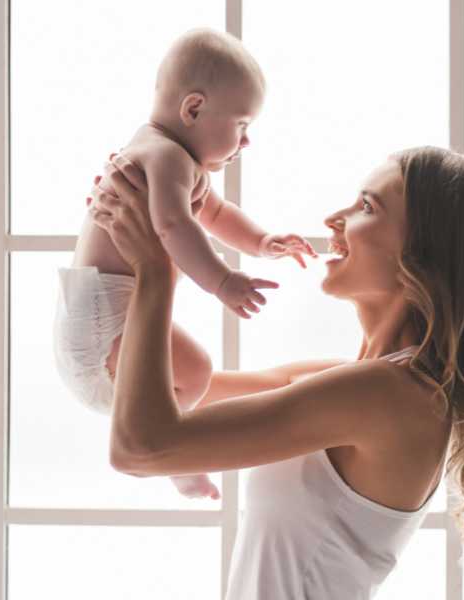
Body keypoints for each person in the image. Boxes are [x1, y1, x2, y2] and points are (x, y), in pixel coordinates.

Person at [88, 146, 464, 599]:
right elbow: (168, 392)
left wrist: (154, 269)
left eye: (367, 207)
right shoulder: (358, 383)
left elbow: (140, 449)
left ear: (424, 252)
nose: (335, 218)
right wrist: (135, 234)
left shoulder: (391, 394)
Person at [52, 27, 315, 500]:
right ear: (193, 108)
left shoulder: (168, 155)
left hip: (95, 324)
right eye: (241, 125)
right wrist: (222, 282)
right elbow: (175, 227)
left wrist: (260, 242)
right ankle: (173, 456)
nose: (247, 141)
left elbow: (212, 213)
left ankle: (166, 444)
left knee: (194, 377)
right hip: (101, 329)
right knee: (195, 372)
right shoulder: (165, 156)